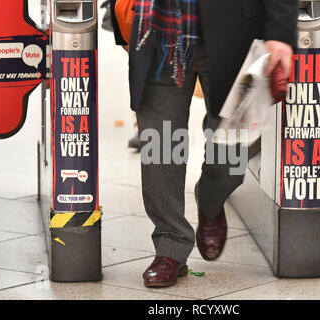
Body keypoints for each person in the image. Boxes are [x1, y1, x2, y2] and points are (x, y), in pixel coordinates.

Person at [111, 0, 297, 287]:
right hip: (158, 31)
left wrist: (281, 32)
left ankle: (210, 198)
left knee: (233, 156)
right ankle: (170, 246)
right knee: (161, 147)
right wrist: (119, 17)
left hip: (239, 33)